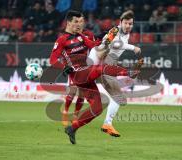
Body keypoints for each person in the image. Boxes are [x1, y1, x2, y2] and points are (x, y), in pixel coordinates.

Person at [49, 10, 139, 144]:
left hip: (87, 76)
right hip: (78, 75)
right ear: (68, 23)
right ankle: (128, 72)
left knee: (97, 109)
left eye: (81, 21)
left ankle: (72, 128)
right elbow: (53, 60)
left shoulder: (83, 36)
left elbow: (95, 46)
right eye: (76, 22)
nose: (79, 24)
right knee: (101, 69)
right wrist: (63, 67)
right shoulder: (62, 40)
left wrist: (106, 40)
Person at [88, 10, 143, 137]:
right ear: (120, 22)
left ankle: (107, 123)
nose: (129, 26)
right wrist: (132, 47)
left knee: (119, 99)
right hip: (100, 64)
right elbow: (108, 47)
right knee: (119, 98)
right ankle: (107, 124)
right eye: (126, 23)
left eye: (131, 24)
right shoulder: (115, 31)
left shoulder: (126, 36)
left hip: (107, 64)